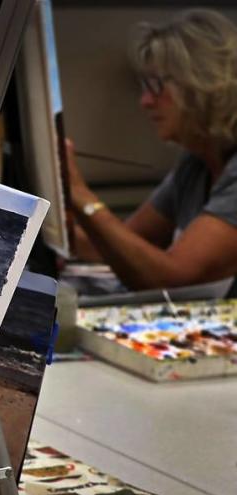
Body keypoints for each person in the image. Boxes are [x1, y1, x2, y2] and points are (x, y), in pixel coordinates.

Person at [65, 8, 237, 291]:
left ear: (202, 82)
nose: (145, 101)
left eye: (156, 85)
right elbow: (126, 245)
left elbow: (170, 279)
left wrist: (79, 194)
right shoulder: (196, 162)